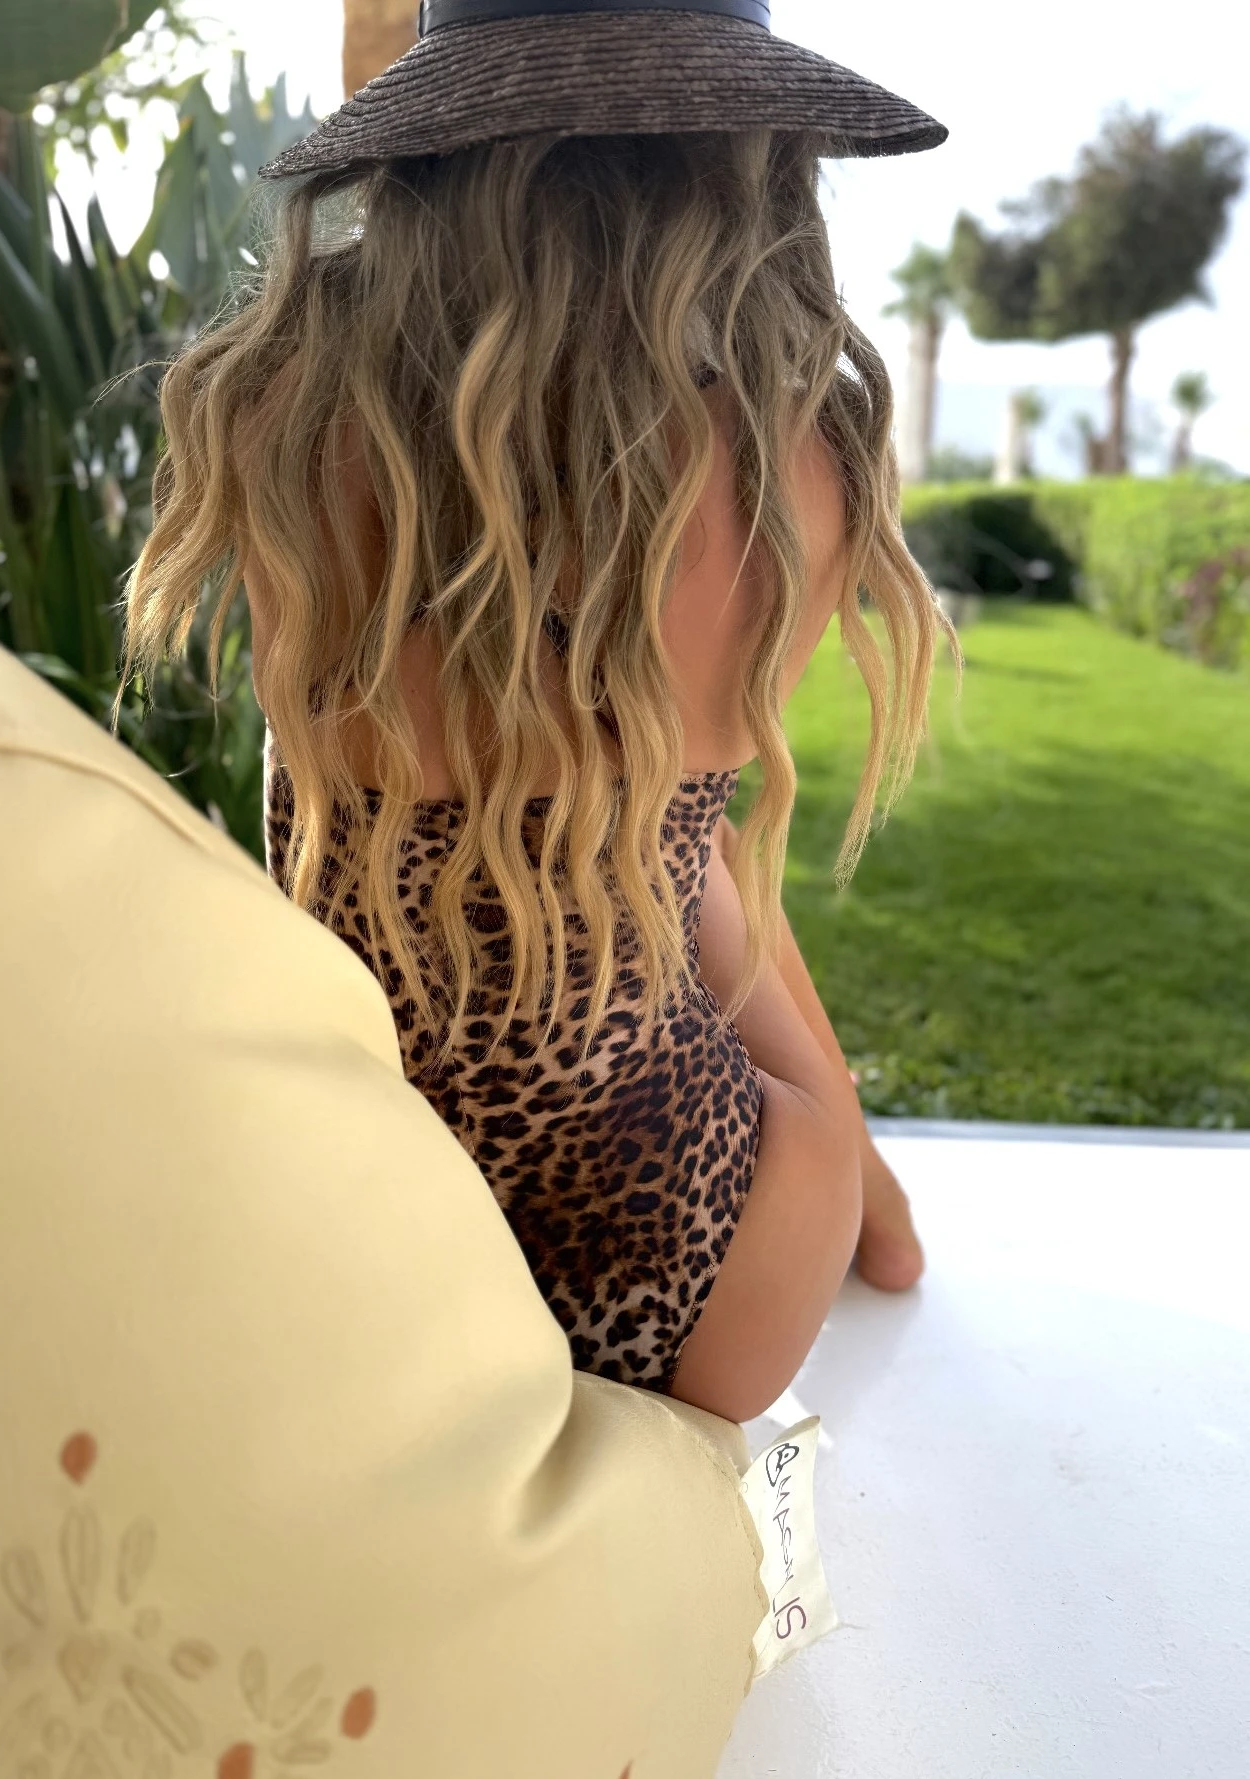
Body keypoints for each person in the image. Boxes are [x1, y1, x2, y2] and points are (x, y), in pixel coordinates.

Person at [122, 0, 948, 1424]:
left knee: (628, 844)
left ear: (430, 156)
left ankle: (863, 1189)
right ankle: (866, 1188)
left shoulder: (278, 414)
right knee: (674, 853)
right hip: (695, 1264)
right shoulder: (788, 473)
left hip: (341, 1210)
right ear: (746, 167)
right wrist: (856, 1173)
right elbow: (692, 866)